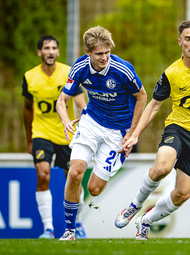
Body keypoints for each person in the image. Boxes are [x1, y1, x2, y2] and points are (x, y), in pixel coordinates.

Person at [115, 20, 190, 240]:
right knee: (162, 167)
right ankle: (134, 206)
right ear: (180, 42)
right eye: (187, 39)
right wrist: (134, 136)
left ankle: (145, 221)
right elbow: (154, 105)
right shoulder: (171, 73)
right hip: (177, 128)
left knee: (183, 193)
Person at [56, 26, 147, 241]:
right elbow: (61, 101)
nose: (105, 57)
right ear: (88, 53)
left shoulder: (122, 70)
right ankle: (69, 231)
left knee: (94, 189)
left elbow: (142, 97)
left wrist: (132, 134)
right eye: (99, 53)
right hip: (91, 123)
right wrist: (66, 121)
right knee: (75, 172)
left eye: (107, 52)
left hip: (118, 132)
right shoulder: (79, 67)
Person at [22, 35, 87, 239]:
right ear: (40, 52)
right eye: (46, 48)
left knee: (74, 178)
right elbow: (27, 108)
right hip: (41, 132)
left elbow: (80, 104)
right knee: (43, 176)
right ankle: (48, 229)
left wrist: (84, 130)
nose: (50, 51)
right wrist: (30, 139)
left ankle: (76, 223)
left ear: (58, 52)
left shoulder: (68, 72)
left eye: (54, 48)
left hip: (67, 134)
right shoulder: (30, 77)